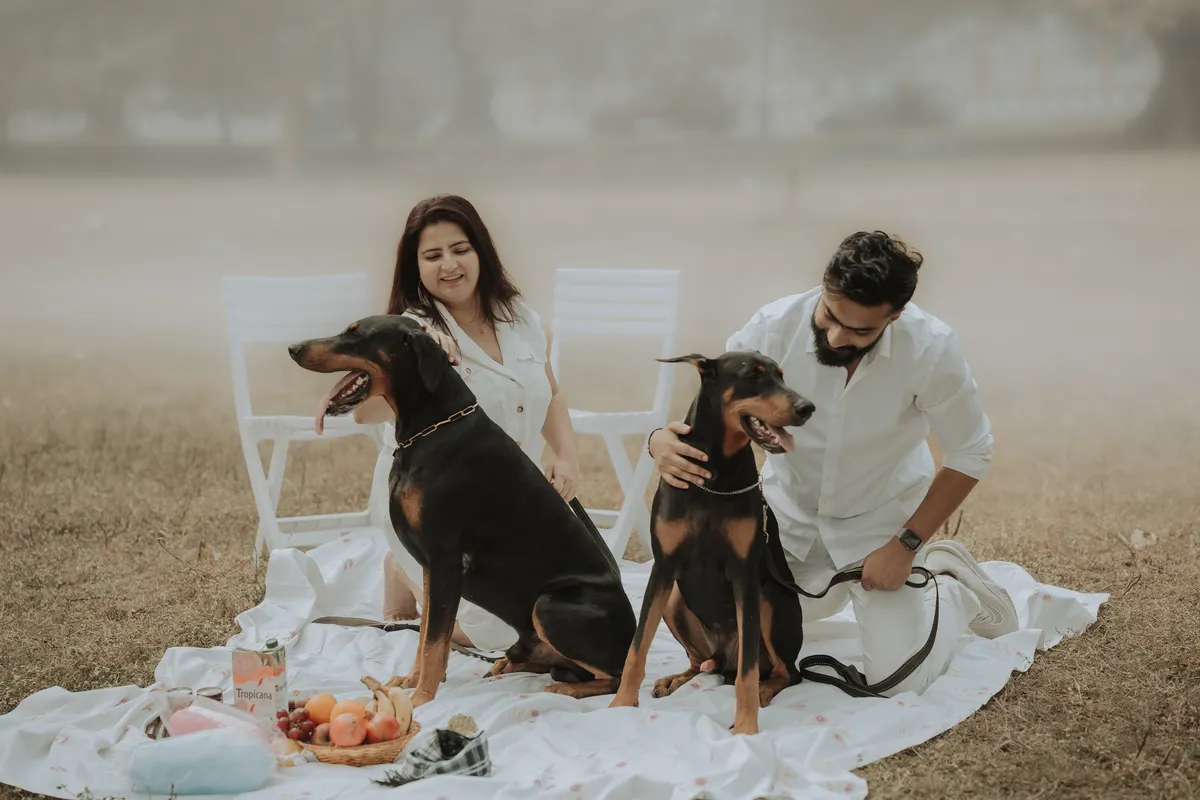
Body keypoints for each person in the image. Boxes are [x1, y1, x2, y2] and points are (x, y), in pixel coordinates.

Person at [646, 230, 1019, 695]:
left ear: (895, 316)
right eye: (830, 317)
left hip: (882, 526)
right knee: (734, 632)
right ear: (824, 286)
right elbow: (721, 406)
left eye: (861, 331)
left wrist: (906, 544)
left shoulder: (932, 349)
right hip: (786, 524)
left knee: (896, 682)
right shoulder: (771, 327)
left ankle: (951, 585)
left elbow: (971, 450)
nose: (838, 337)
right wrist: (659, 440)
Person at [354, 194, 582, 653]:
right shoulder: (408, 332)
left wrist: (566, 456)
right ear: (415, 266)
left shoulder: (522, 318)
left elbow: (550, 392)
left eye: (460, 249)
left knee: (571, 606)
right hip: (434, 504)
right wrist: (419, 365)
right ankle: (405, 571)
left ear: (481, 251)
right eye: (432, 255)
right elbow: (363, 412)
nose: (449, 265)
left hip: (515, 498)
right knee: (499, 636)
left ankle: (418, 578)